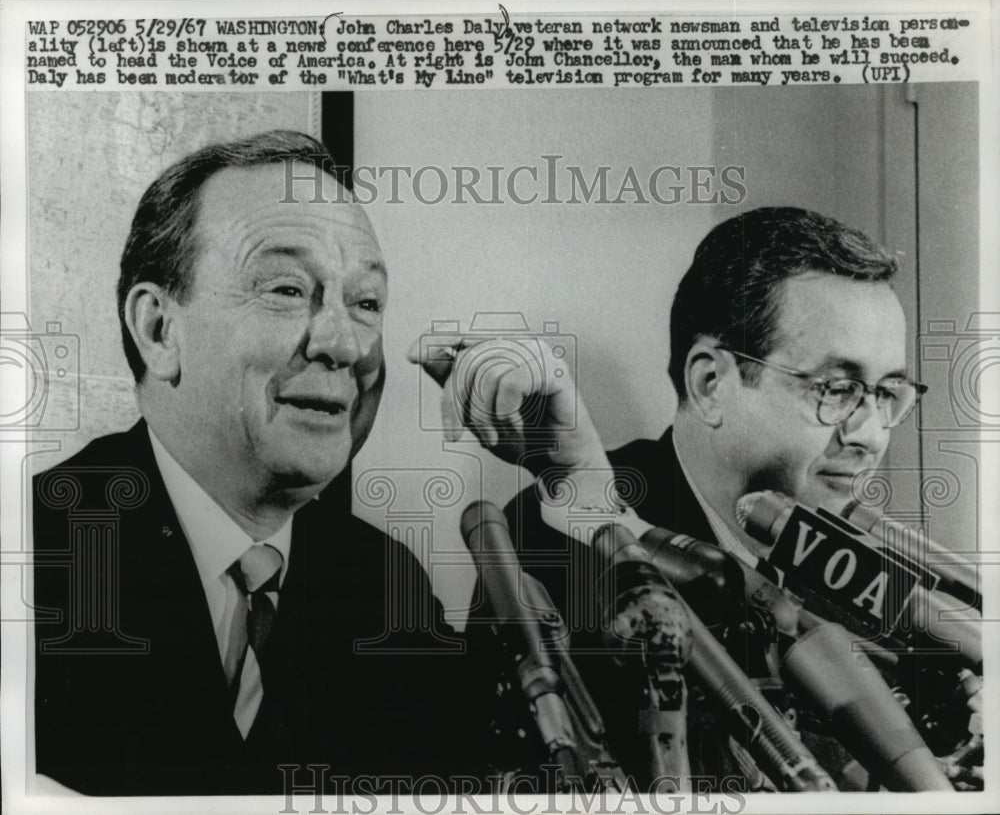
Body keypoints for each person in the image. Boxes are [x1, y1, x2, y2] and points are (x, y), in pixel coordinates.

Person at [412, 207, 924, 787]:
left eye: (888, 394)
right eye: (838, 389)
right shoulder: (559, 535)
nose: (871, 435)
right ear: (710, 384)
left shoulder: (874, 569)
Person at [33, 131, 476, 796]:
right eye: (287, 289)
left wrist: (569, 481)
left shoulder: (387, 588)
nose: (342, 344)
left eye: (366, 304)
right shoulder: (33, 552)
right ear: (158, 331)